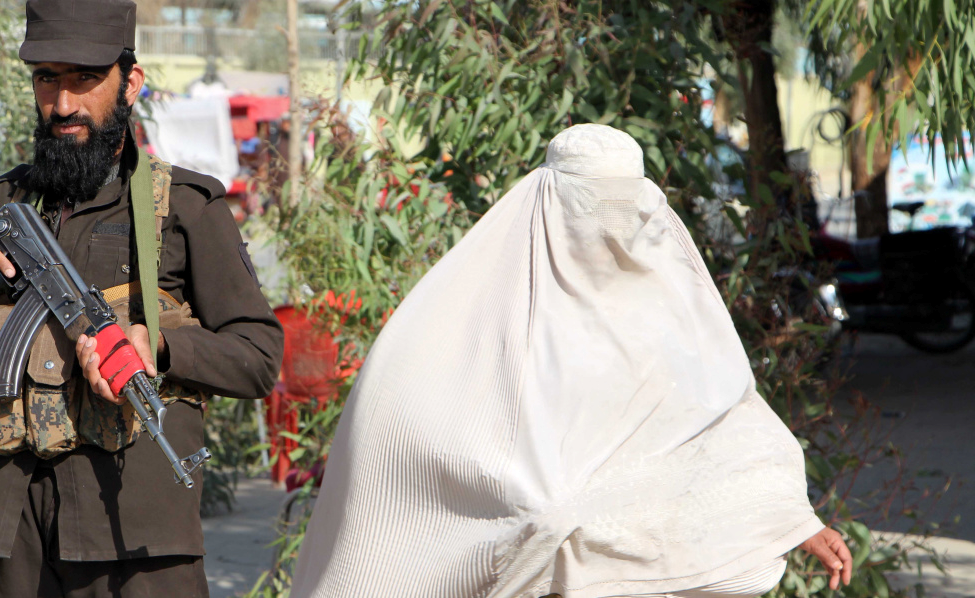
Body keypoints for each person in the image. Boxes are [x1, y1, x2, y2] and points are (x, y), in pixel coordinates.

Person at [290, 124, 851, 598]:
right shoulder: (475, 315)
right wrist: (534, 507)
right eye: (594, 204)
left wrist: (793, 521)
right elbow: (406, 441)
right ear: (550, 203)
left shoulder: (668, 309)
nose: (612, 227)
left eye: (624, 204)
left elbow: (725, 424)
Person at [0, 0, 283, 598]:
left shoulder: (184, 209)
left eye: (87, 78)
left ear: (130, 83)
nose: (64, 103)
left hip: (136, 541)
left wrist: (157, 346)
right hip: (10, 538)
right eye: (47, 79)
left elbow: (259, 356)